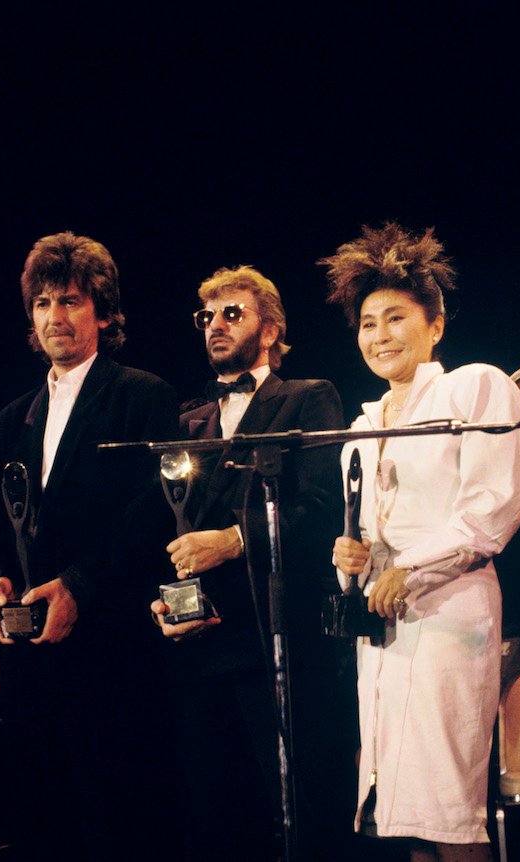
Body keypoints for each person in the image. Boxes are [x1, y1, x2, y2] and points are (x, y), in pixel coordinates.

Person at [322, 224, 520, 862]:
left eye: (395, 318)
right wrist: (352, 560)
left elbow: (493, 507)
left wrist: (408, 569)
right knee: (403, 810)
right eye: (367, 323)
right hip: (385, 624)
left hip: (451, 610)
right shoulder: (361, 428)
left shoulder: (473, 386)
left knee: (450, 802)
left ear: (435, 325)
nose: (379, 335)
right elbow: (367, 534)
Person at [0, 231, 178, 860]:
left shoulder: (144, 395)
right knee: (40, 815)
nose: (54, 318)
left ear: (104, 311)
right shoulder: (11, 418)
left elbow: (152, 514)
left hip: (114, 648)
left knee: (114, 816)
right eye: (42, 304)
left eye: (70, 302)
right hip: (33, 656)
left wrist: (79, 586)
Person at [149, 265, 353, 861]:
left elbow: (320, 511)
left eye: (232, 313)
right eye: (207, 316)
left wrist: (234, 540)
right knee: (213, 816)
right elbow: (166, 528)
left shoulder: (308, 396)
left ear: (270, 330)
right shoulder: (187, 419)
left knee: (297, 810)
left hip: (277, 639)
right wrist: (162, 600)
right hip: (197, 644)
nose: (215, 325)